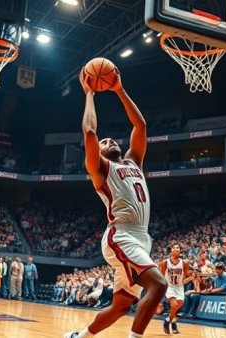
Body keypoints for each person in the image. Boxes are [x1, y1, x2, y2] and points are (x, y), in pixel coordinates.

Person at [65, 67, 167, 338]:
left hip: (142, 238)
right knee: (158, 285)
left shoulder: (134, 161)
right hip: (120, 235)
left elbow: (140, 126)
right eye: (104, 141)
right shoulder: (99, 168)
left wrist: (119, 89)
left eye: (112, 138)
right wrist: (89, 94)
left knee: (121, 305)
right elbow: (89, 131)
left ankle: (80, 336)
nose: (108, 139)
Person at [160, 243, 190, 334]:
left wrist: (192, 277)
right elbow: (161, 275)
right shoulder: (165, 262)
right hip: (169, 285)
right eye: (175, 248)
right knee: (173, 305)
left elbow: (187, 275)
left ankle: (168, 319)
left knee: (179, 304)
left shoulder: (184, 263)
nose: (177, 249)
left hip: (179, 286)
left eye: (178, 248)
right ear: (171, 250)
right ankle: (171, 323)